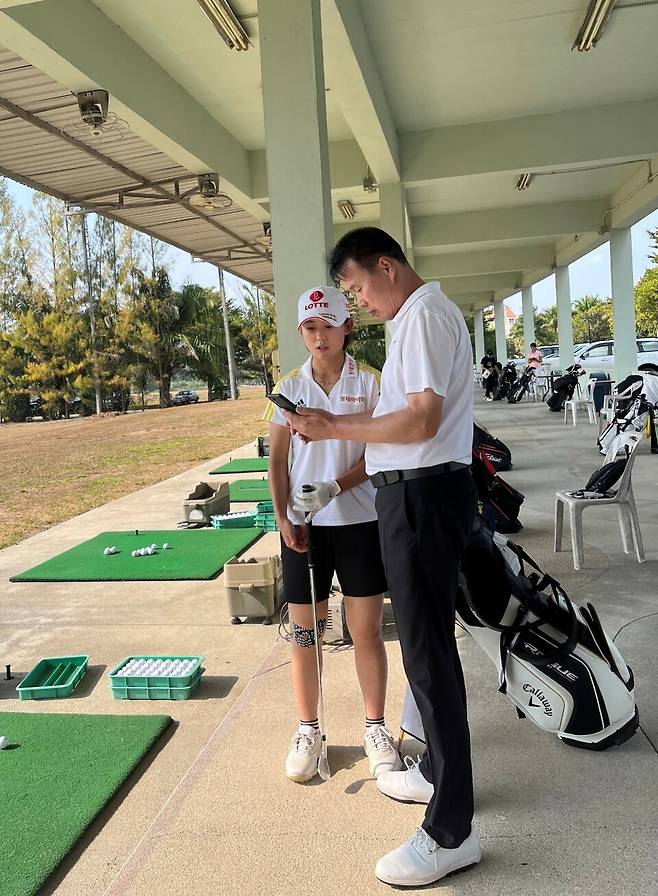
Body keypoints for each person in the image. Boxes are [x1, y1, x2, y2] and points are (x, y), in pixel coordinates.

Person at [287, 228, 481, 887]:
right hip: (414, 499)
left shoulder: (423, 317)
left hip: (423, 500)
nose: (359, 302)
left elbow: (421, 421)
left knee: (429, 661)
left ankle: (451, 831)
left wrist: (332, 426)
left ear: (386, 267)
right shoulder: (416, 319)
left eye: (357, 288)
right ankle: (435, 776)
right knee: (429, 655)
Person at [264, 285, 402, 785]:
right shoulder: (289, 387)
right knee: (306, 634)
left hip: (360, 523)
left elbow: (382, 451)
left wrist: (335, 487)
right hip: (304, 529)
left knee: (364, 631)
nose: (319, 336)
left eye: (328, 325)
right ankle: (307, 729)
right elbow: (277, 461)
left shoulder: (370, 383)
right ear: (301, 331)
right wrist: (284, 517)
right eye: (310, 327)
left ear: (348, 326)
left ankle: (375, 728)